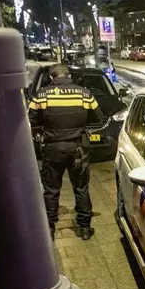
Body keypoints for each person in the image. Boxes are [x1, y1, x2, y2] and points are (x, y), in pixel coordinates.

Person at [28, 63, 104, 240]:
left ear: (52, 77)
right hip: (77, 148)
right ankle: (85, 228)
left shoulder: (42, 95)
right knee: (81, 188)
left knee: (51, 190)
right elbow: (97, 117)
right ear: (69, 75)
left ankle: (50, 229)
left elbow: (31, 119)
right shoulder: (84, 94)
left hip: (52, 148)